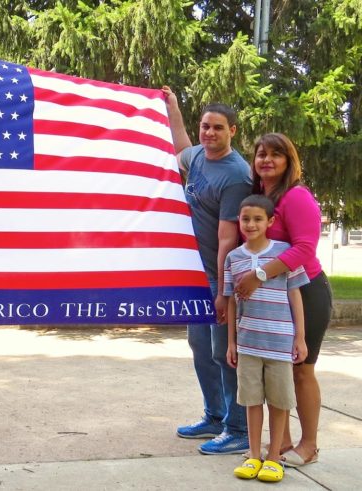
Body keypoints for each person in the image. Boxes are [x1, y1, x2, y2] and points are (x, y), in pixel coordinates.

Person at [234, 133, 333, 467]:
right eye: (261, 154)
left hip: (305, 291)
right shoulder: (260, 198)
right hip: (270, 298)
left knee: (302, 371)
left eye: (276, 154)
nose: (267, 160)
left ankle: (309, 444)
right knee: (279, 372)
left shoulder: (296, 196)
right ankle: (283, 443)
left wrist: (259, 275)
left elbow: (305, 248)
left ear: (289, 160)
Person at [162, 87, 252, 454]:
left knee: (225, 353)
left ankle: (238, 428)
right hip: (195, 273)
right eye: (205, 127)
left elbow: (227, 239)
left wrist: (222, 292)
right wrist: (174, 106)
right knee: (200, 347)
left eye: (217, 128)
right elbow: (180, 145)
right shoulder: (198, 155)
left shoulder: (236, 175)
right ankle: (214, 416)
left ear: (232, 130)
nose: (209, 133)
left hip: (219, 275)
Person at [224, 194, 309, 482]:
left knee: (279, 401)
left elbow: (295, 294)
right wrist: (232, 342)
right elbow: (233, 300)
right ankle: (253, 454)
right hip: (248, 343)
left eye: (258, 218)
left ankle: (274, 458)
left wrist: (300, 338)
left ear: (270, 221)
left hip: (280, 343)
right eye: (245, 218)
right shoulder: (233, 257)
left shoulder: (283, 253)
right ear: (239, 220)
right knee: (251, 401)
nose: (250, 224)